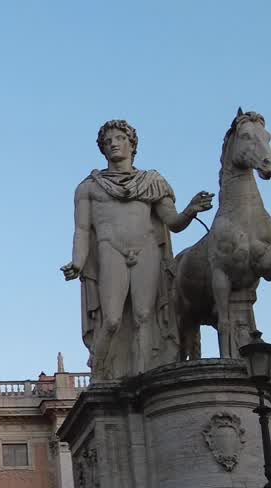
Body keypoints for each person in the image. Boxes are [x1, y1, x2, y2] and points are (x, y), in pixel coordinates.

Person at [61, 120, 212, 380]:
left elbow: (172, 222)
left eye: (119, 138)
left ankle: (143, 379)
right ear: (102, 149)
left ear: (132, 144)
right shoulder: (89, 187)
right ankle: (100, 374)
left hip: (147, 249)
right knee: (111, 320)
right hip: (110, 249)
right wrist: (77, 262)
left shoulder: (152, 182)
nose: (113, 144)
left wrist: (190, 210)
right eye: (107, 142)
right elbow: (83, 229)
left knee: (145, 315)